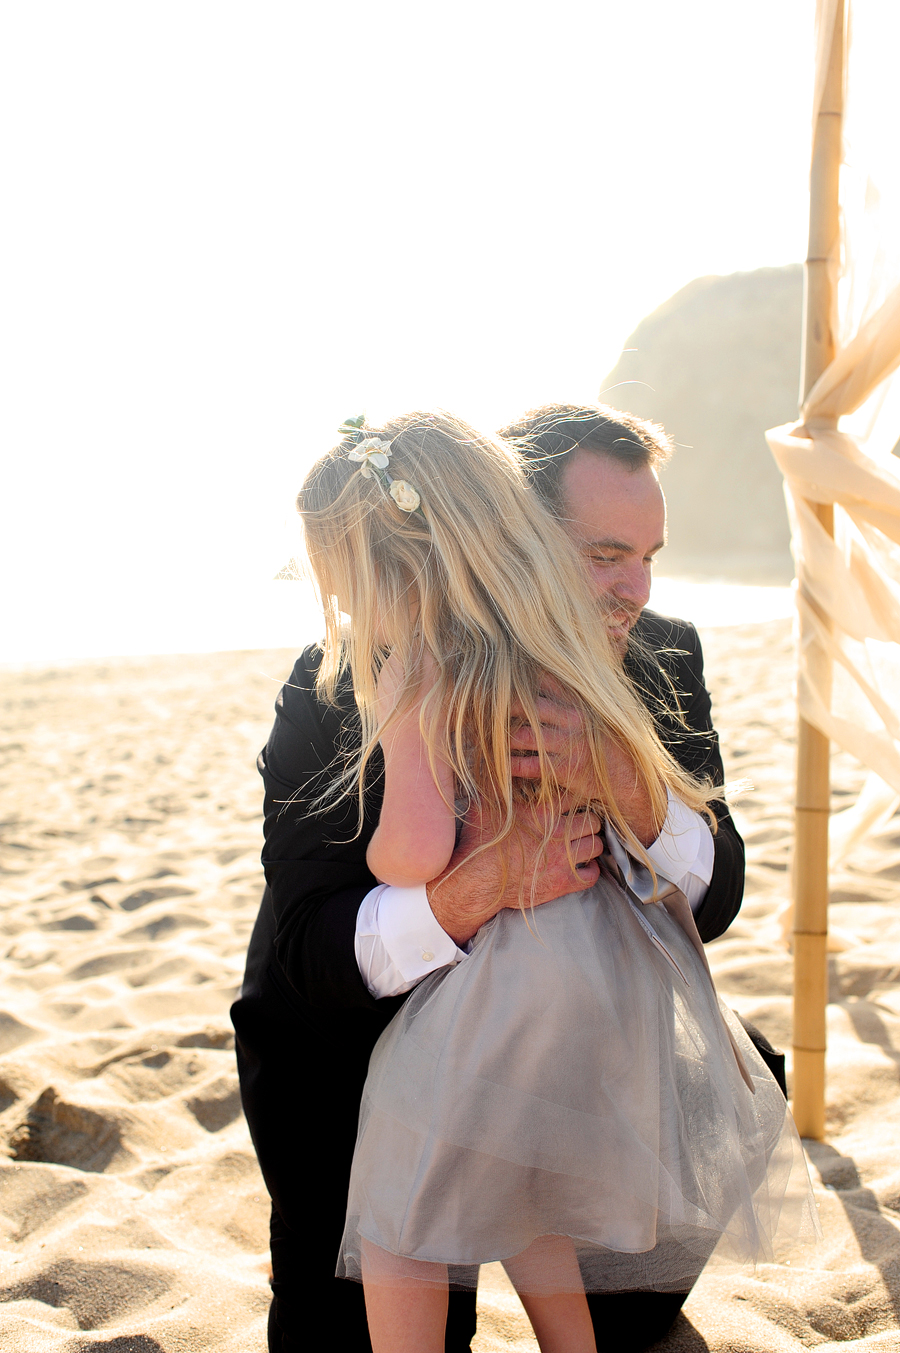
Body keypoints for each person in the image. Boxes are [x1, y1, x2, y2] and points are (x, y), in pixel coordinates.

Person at [229, 405, 757, 1353]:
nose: (635, 587)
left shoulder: (662, 653)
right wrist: (470, 894)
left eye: (650, 553)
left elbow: (716, 897)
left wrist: (633, 786)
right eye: (603, 556)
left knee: (643, 1236)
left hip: (584, 1052)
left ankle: (628, 1317)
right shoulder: (348, 674)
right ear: (510, 536)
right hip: (348, 1066)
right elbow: (307, 950)